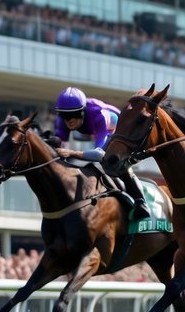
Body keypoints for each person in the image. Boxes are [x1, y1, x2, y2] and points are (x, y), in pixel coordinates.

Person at [53, 86, 149, 218]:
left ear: (82, 111)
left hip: (116, 130)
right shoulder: (62, 120)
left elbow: (100, 154)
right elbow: (57, 145)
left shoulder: (98, 116)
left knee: (114, 162)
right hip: (96, 131)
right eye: (65, 116)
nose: (69, 120)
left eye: (73, 115)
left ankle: (141, 202)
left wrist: (73, 153)